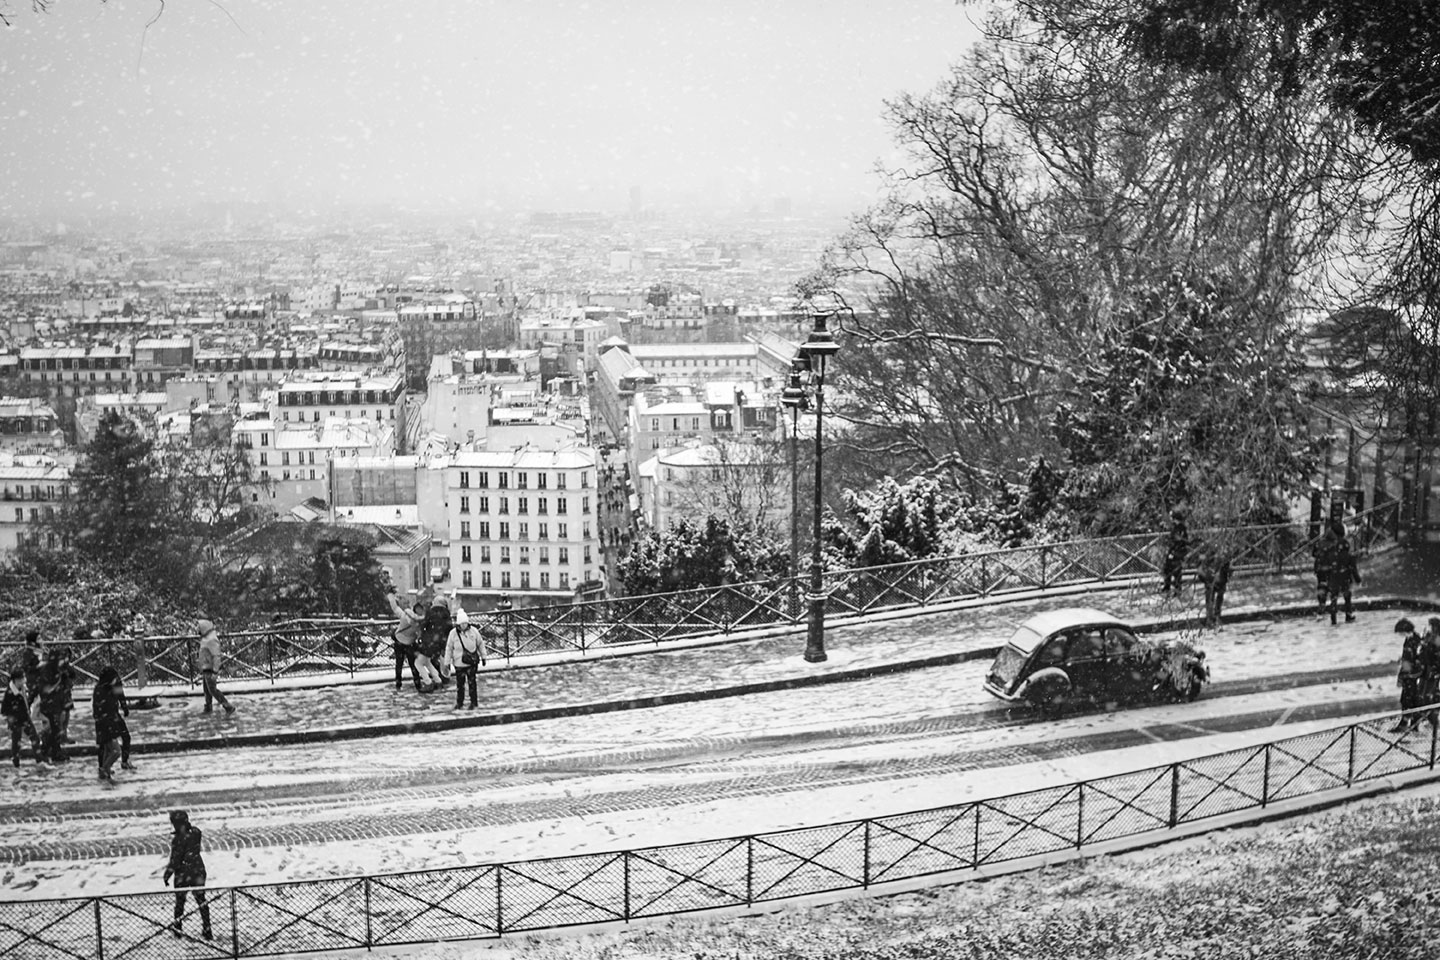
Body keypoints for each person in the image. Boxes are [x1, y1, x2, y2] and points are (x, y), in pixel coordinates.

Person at [163, 810, 213, 940]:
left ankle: (178, 928)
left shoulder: (178, 840)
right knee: (201, 900)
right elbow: (193, 834)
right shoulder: (196, 833)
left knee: (180, 902)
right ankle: (207, 929)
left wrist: (168, 874)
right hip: (197, 870)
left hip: (183, 873)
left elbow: (175, 859)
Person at [444, 607, 484, 710]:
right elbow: (449, 648)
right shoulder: (453, 634)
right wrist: (447, 662)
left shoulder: (473, 631)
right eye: (462, 624)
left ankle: (473, 702)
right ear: (458, 624)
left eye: (465, 623)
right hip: (459, 663)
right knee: (460, 685)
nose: (464, 625)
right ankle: (460, 702)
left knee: (472, 684)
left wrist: (484, 656)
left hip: (471, 662)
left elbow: (480, 643)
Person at [92, 666, 126, 783]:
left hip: (106, 723)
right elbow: (105, 708)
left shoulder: (102, 689)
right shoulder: (103, 691)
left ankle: (106, 770)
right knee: (116, 751)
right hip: (107, 723)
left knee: (107, 749)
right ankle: (104, 769)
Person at [387, 590, 424, 692]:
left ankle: (398, 683)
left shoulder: (404, 615)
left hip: (399, 641)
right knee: (413, 664)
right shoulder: (418, 624)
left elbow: (395, 608)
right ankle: (418, 684)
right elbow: (419, 635)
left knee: (399, 663)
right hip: (409, 644)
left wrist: (390, 596)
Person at [1391, 618, 1424, 733]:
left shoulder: (1416, 641)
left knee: (1410, 699)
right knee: (1407, 698)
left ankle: (1409, 722)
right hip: (1408, 674)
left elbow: (1418, 658)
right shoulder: (1410, 640)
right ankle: (1410, 722)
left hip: (1412, 675)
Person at [2, 673, 41, 768]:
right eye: (20, 680)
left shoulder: (22, 689)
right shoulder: (10, 693)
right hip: (16, 720)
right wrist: (12, 717)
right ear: (14, 680)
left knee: (34, 738)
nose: (22, 682)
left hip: (25, 718)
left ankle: (39, 759)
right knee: (16, 741)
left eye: (23, 679)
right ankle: (16, 762)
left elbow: (26, 702)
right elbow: (4, 709)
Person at [195, 620, 235, 715]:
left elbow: (216, 656)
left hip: (210, 668)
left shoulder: (211, 640)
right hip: (206, 667)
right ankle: (208, 707)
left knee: (212, 689)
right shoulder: (206, 639)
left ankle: (227, 706)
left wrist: (215, 671)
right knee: (207, 689)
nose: (197, 630)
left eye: (199, 628)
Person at [1195, 540, 1232, 628]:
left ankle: (1213, 618)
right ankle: (1212, 618)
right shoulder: (1210, 559)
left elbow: (1229, 570)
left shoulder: (1222, 559)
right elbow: (1200, 571)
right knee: (1212, 600)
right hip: (1212, 581)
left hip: (1217, 581)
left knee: (1214, 600)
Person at [419, 597, 453, 689]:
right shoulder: (446, 613)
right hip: (444, 639)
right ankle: (446, 675)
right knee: (445, 658)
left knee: (433, 659)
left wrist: (424, 636)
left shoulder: (430, 612)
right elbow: (450, 627)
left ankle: (438, 677)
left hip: (432, 640)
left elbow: (424, 625)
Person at [1326, 539, 1361, 626]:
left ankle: (1333, 616)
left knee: (1334, 598)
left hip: (1334, 579)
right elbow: (1353, 569)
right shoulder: (1349, 556)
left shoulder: (1332, 556)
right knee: (1347, 597)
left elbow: (1328, 569)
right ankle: (1348, 615)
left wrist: (1328, 579)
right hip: (1345, 579)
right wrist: (1357, 579)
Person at [1161, 511, 1188, 595]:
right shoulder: (1177, 527)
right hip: (1174, 551)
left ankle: (1176, 589)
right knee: (1168, 569)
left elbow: (1179, 541)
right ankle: (1168, 587)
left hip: (1177, 551)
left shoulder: (1180, 528)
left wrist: (1173, 551)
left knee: (1175, 570)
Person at [1311, 533, 1336, 616]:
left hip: (1319, 568)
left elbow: (1313, 554)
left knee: (1321, 585)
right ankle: (1332, 604)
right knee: (1331, 586)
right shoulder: (1333, 544)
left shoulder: (1318, 544)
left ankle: (1322, 603)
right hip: (1329, 568)